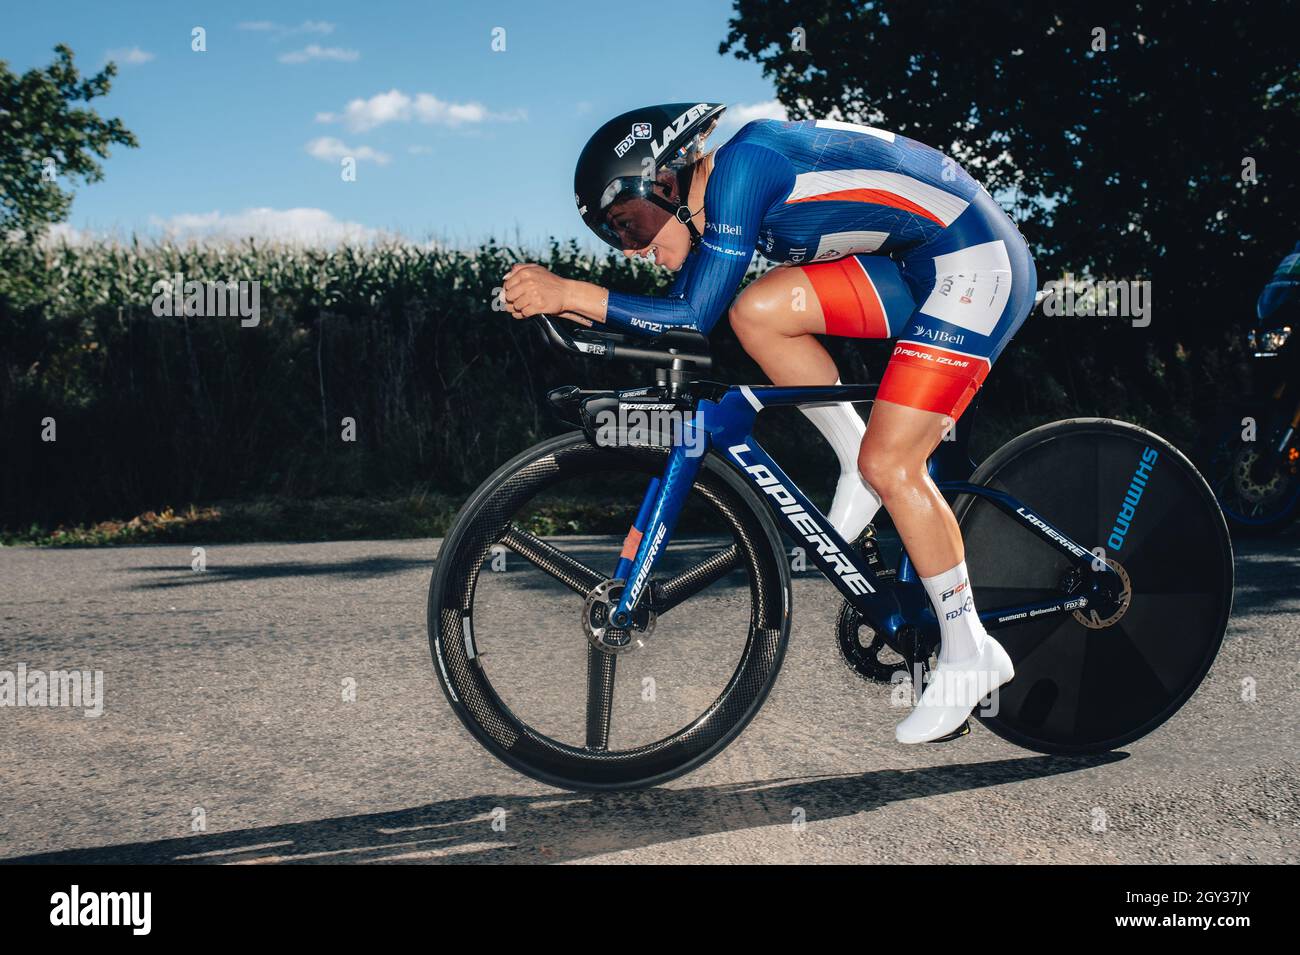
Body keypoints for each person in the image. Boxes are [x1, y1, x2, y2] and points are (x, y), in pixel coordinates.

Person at [503, 102, 1038, 744]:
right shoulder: (729, 187)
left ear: (667, 183)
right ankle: (855, 461)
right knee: (757, 311)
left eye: (630, 224)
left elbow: (687, 317)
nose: (634, 248)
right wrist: (596, 312)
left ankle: (969, 649)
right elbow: (687, 314)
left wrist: (573, 294)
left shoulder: (742, 171)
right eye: (617, 238)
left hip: (973, 264)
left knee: (893, 463)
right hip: (911, 261)